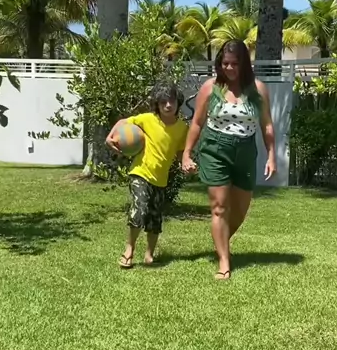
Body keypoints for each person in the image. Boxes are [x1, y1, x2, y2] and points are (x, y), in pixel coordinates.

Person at [182, 39, 276, 280]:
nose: (230, 68)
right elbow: (197, 123)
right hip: (215, 149)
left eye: (235, 63)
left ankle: (221, 241)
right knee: (219, 207)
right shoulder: (210, 87)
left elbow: (266, 125)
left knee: (240, 211)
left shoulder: (258, 89)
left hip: (246, 151)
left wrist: (271, 156)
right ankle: (224, 260)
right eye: (225, 63)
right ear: (219, 64)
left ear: (244, 63)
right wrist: (186, 153)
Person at [106, 81, 188, 269]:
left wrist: (186, 164)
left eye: (172, 101)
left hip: (161, 179)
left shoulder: (182, 128)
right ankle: (129, 251)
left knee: (155, 218)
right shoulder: (147, 119)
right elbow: (122, 122)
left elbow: (180, 152)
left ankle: (149, 254)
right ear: (157, 104)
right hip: (140, 172)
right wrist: (110, 138)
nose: (168, 105)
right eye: (163, 102)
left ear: (178, 102)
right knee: (139, 210)